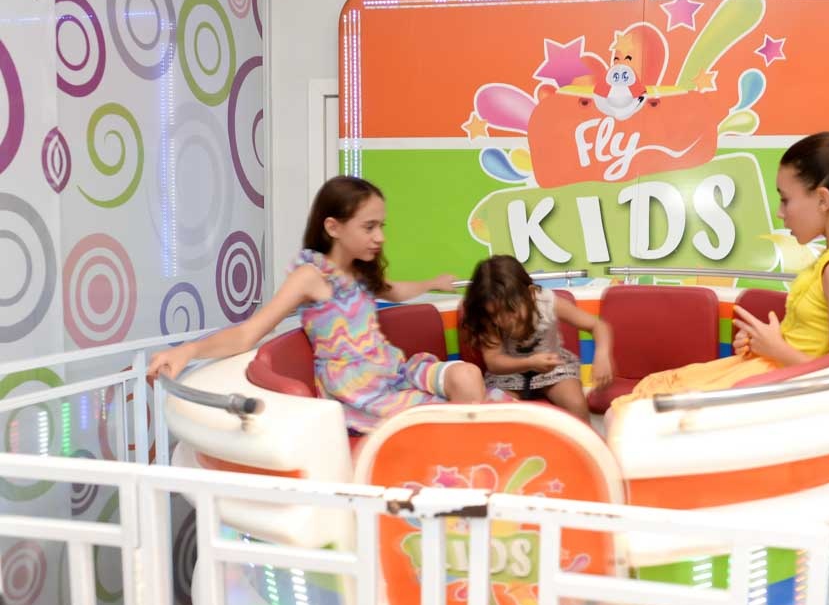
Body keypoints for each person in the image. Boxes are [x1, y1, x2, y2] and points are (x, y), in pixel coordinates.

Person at [611, 131, 829, 409]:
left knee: (634, 409)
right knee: (642, 398)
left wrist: (775, 348)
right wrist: (762, 343)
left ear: (823, 200)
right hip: (771, 373)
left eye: (785, 200)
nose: (780, 213)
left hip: (779, 387)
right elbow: (813, 339)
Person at [147, 175, 493, 434]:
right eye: (369, 227)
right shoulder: (310, 276)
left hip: (393, 370)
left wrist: (431, 283)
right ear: (333, 227)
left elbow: (395, 290)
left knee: (467, 375)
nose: (380, 237)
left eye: (381, 226)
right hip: (360, 389)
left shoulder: (359, 271)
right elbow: (248, 333)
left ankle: (473, 453)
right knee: (448, 416)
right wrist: (188, 350)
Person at [460, 255, 613, 422]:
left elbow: (598, 326)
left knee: (575, 403)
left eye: (510, 310)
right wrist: (530, 362)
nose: (502, 321)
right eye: (495, 314)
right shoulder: (488, 319)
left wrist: (602, 355)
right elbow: (494, 362)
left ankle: (583, 438)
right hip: (508, 373)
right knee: (498, 410)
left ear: (531, 293)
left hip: (553, 368)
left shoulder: (547, 303)